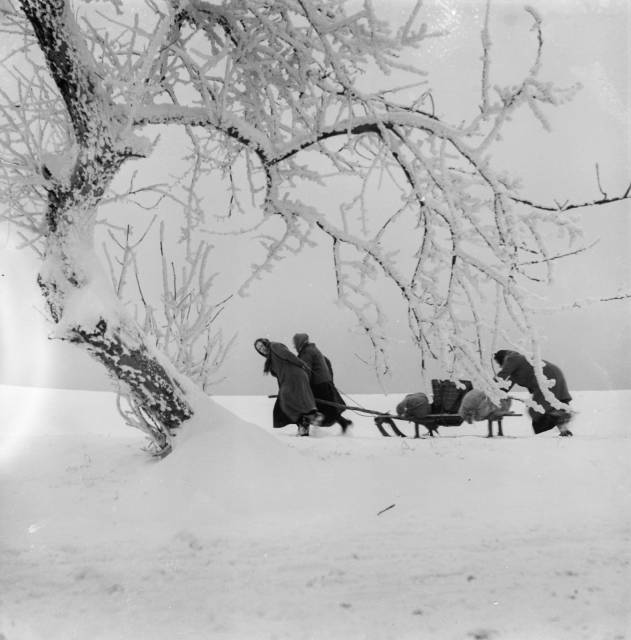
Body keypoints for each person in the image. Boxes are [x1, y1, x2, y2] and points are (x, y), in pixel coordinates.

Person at [494, 349, 573, 436]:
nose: (500, 367)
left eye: (499, 364)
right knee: (555, 404)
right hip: (555, 373)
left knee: (537, 411)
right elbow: (506, 385)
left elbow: (501, 376)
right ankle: (563, 427)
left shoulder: (512, 358)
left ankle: (543, 440)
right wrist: (499, 393)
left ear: (502, 359)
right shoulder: (520, 363)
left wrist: (489, 387)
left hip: (546, 377)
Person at [254, 338, 322, 436]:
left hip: (295, 375)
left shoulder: (275, 346)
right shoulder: (270, 358)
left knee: (286, 402)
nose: (261, 349)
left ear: (265, 342)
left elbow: (288, 355)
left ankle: (311, 418)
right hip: (288, 380)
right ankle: (305, 423)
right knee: (289, 403)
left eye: (261, 345)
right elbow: (279, 376)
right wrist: (281, 388)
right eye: (259, 349)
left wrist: (302, 364)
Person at [292, 333, 353, 434]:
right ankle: (343, 423)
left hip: (318, 386)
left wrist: (302, 387)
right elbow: (326, 363)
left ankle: (304, 430)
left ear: (299, 342)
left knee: (306, 407)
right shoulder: (313, 350)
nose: (295, 347)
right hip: (324, 384)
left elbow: (305, 372)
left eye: (295, 344)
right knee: (329, 409)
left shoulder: (306, 352)